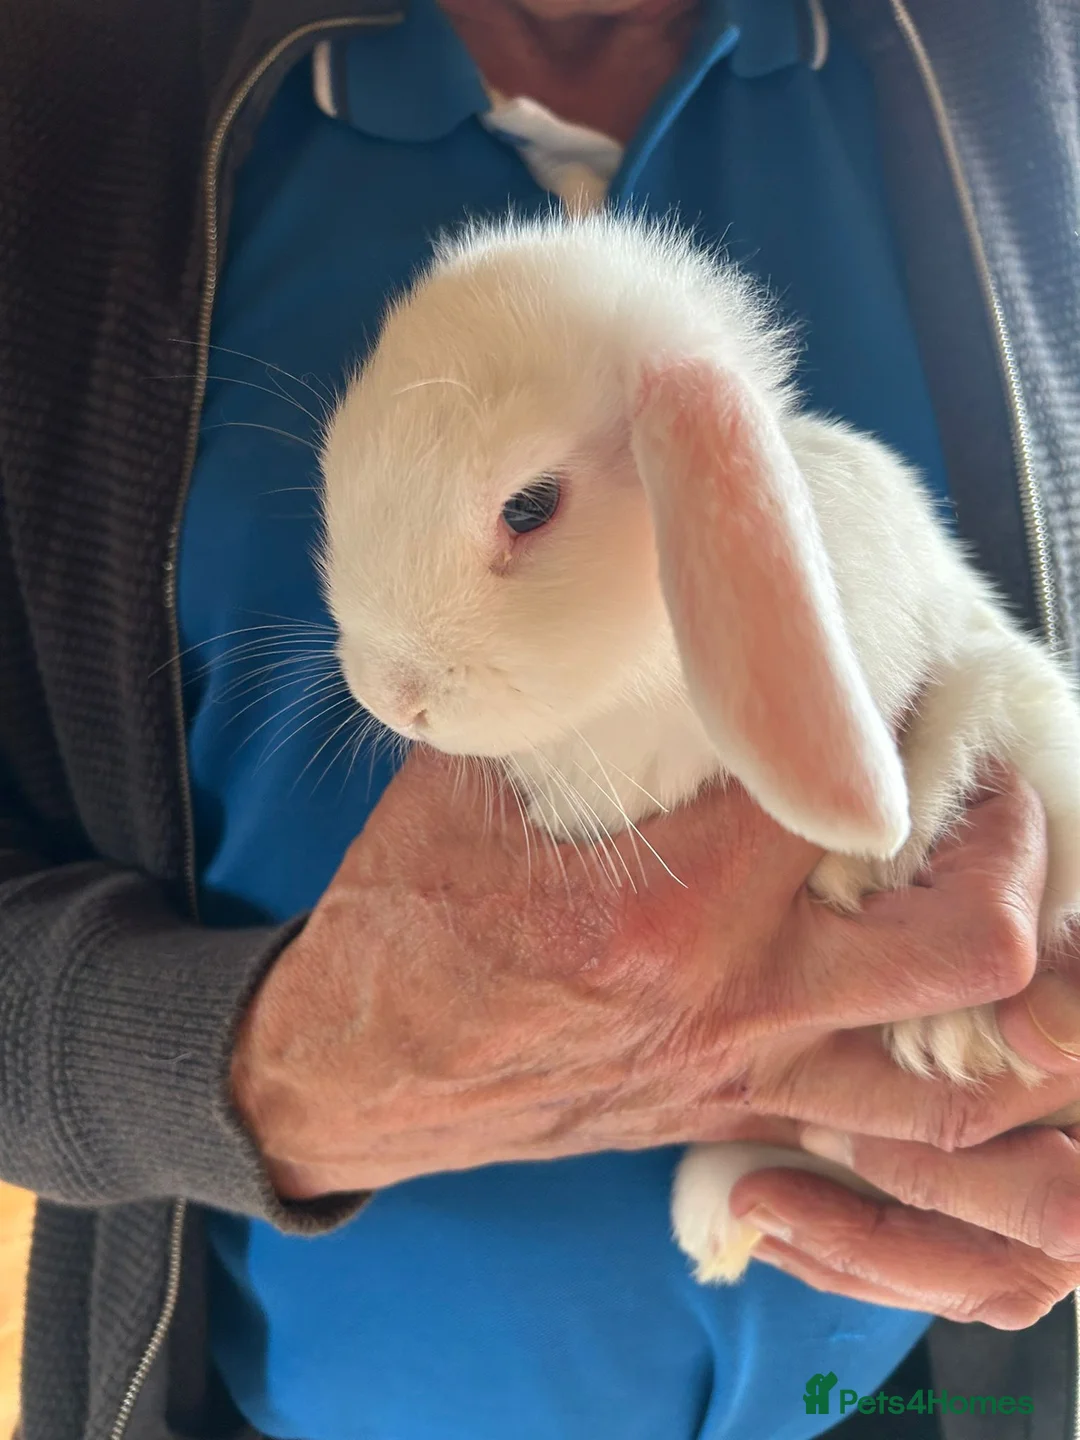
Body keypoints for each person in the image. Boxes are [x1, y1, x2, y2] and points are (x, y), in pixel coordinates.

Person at [2, 0, 1079, 1437]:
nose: (387, 703)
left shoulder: (1016, 53)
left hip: (904, 1393)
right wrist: (266, 1067)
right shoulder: (60, 95)